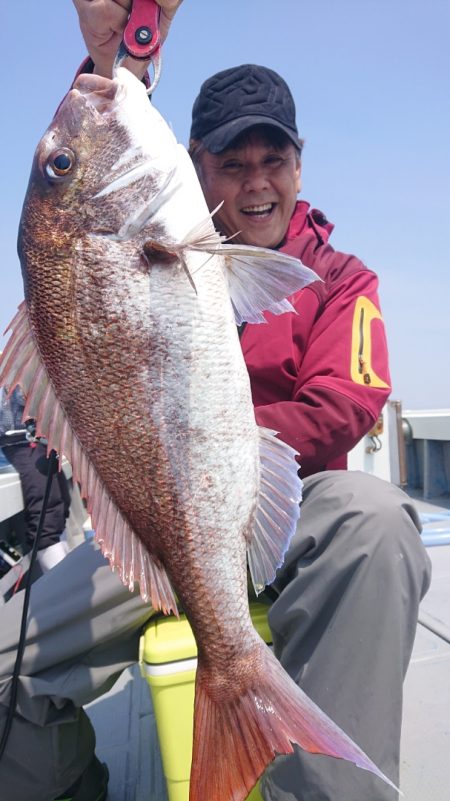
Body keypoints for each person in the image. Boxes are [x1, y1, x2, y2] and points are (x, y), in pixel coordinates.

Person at [0, 2, 431, 801]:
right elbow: (89, 164)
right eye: (233, 164)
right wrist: (115, 64)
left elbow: (347, 405)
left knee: (376, 523)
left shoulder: (342, 280)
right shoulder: (162, 237)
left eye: (274, 159)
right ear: (196, 167)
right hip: (160, 525)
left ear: (300, 167)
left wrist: (220, 449)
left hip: (298, 511)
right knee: (7, 656)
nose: (256, 181)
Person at [0, 387, 71, 575]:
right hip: (12, 443)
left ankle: (64, 569)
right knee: (44, 507)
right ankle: (60, 581)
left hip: (38, 440)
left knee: (61, 500)